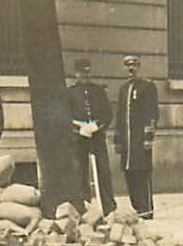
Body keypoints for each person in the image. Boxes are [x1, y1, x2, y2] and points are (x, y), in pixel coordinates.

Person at [113, 53, 159, 220]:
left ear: (139, 67)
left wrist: (148, 136)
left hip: (140, 140)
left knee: (142, 173)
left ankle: (146, 209)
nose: (131, 69)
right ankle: (136, 208)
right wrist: (117, 139)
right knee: (129, 173)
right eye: (128, 66)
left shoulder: (147, 87)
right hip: (127, 141)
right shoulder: (123, 89)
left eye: (134, 66)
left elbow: (152, 112)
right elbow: (119, 115)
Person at [67, 57, 115, 216]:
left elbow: (108, 114)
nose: (85, 76)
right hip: (79, 138)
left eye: (87, 72)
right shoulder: (70, 93)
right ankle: (83, 209)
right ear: (76, 74)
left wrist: (97, 125)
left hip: (96, 136)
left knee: (104, 171)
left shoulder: (98, 91)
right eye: (81, 72)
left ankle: (109, 209)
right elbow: (64, 117)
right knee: (80, 172)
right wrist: (77, 129)